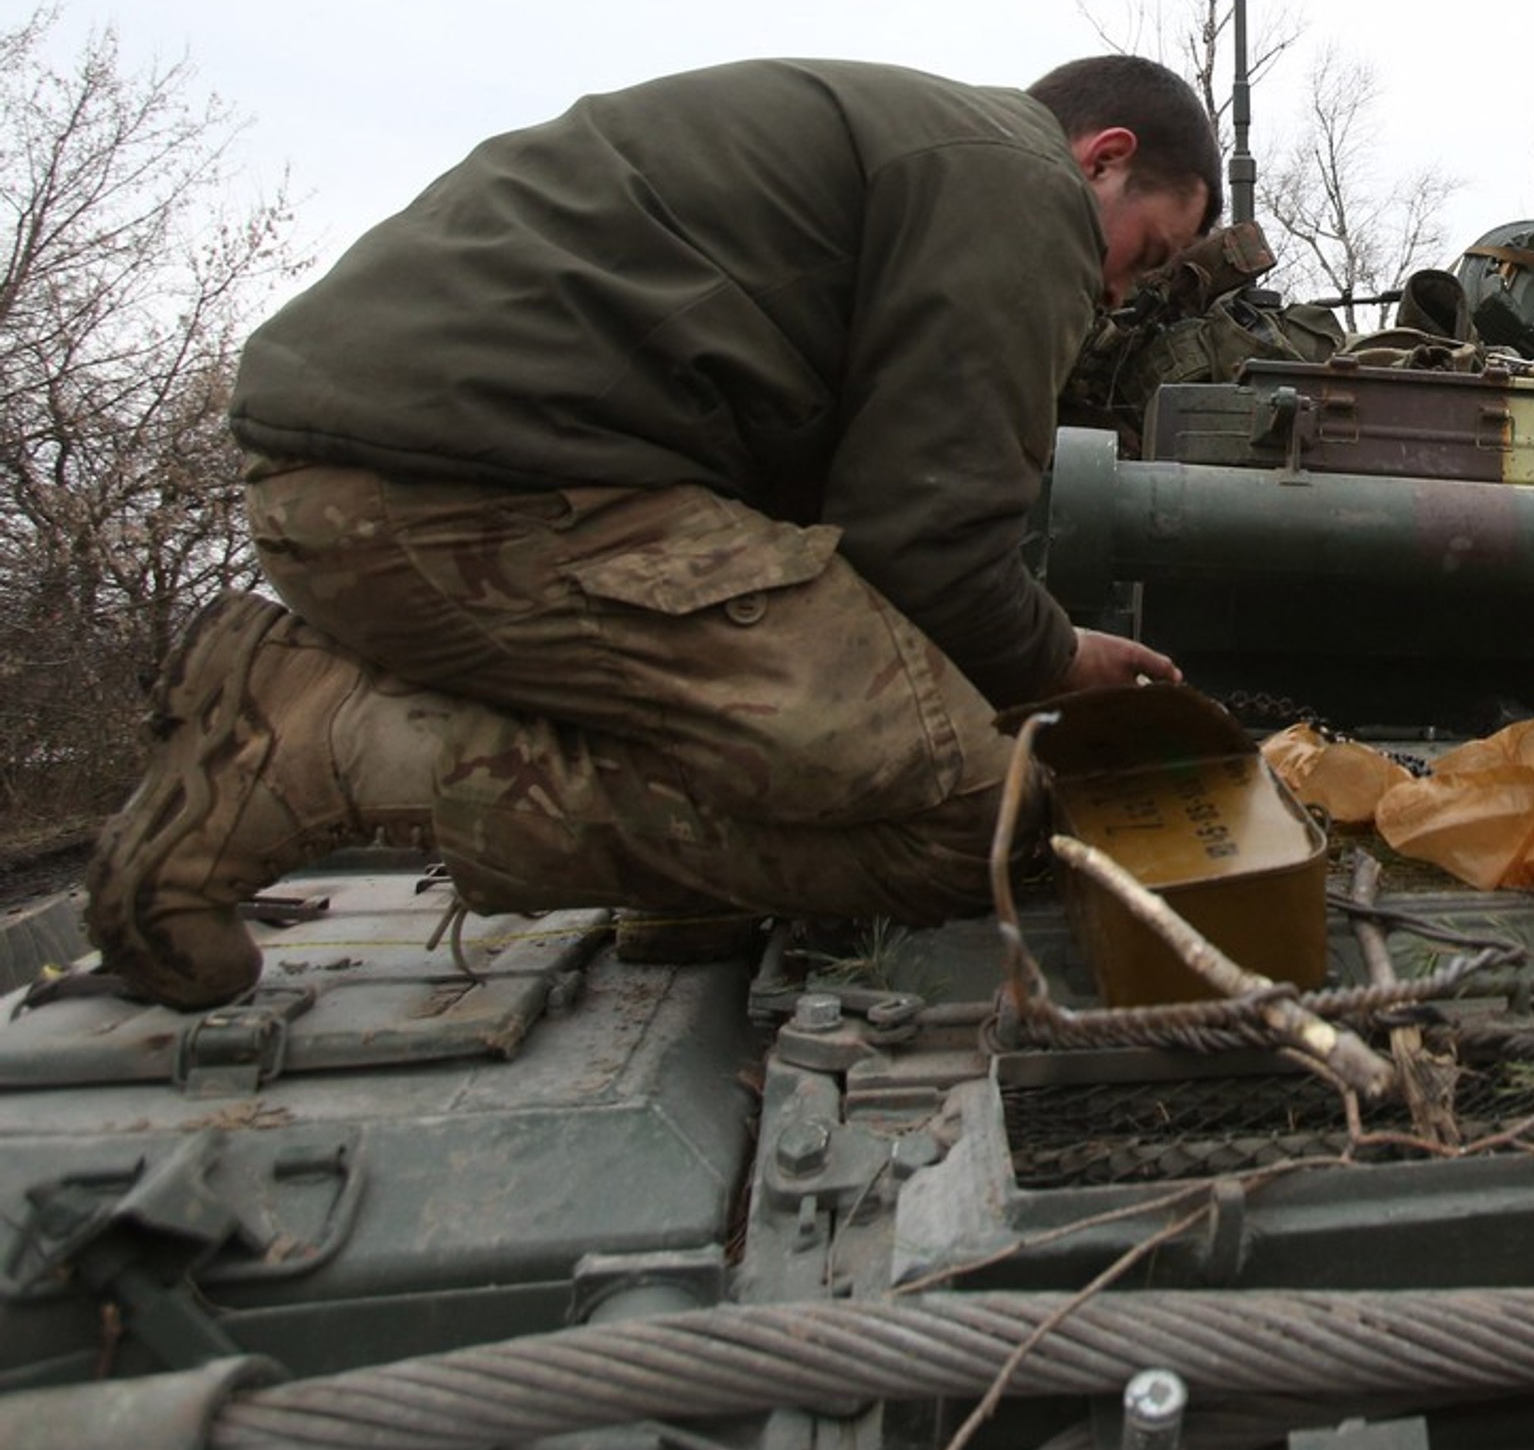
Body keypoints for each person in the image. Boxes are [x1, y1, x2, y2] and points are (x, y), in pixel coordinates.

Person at [85, 54, 1216, 1007]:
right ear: (1102, 156)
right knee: (982, 818)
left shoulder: (910, 152)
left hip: (386, 481)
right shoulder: (1017, 183)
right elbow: (923, 539)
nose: (1120, 297)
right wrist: (1059, 658)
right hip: (465, 496)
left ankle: (688, 884)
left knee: (837, 691)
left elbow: (813, 533)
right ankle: (323, 747)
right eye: (1147, 254)